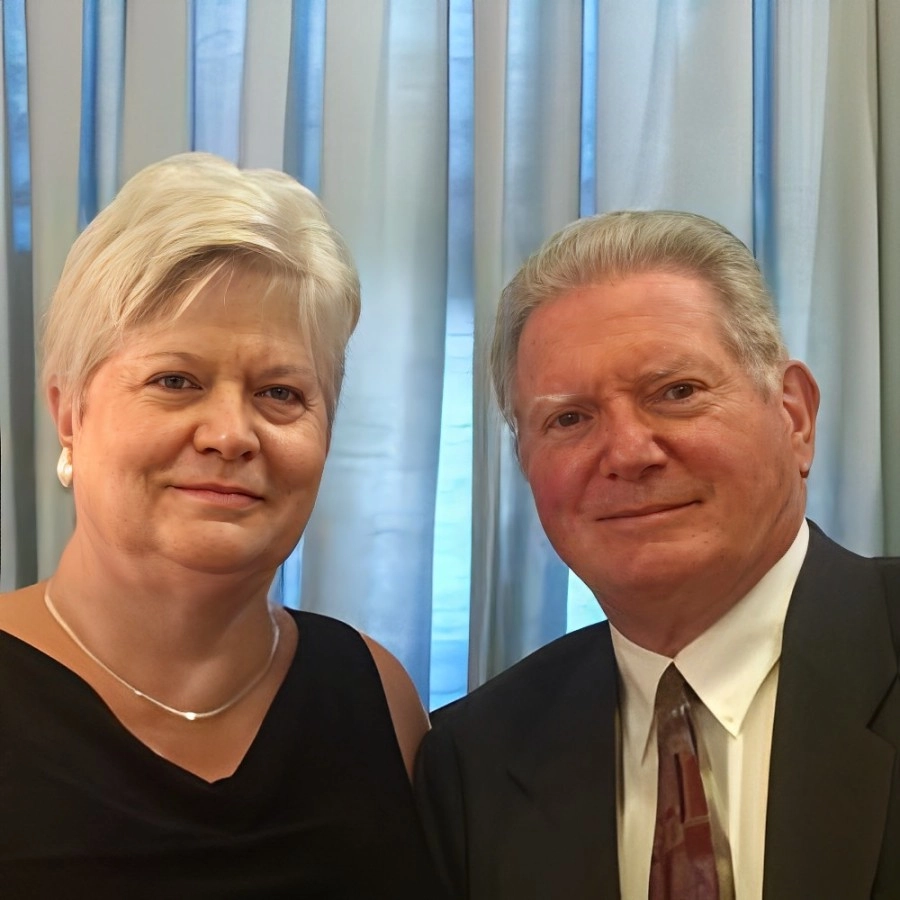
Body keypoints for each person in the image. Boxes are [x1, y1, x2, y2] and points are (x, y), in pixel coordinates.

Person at [415, 210, 900, 899]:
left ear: (794, 415)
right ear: (525, 463)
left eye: (676, 393)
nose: (629, 453)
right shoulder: (472, 761)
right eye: (570, 419)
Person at [0, 152, 446, 898]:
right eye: (177, 381)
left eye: (280, 392)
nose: (231, 434)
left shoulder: (377, 695)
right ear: (67, 413)